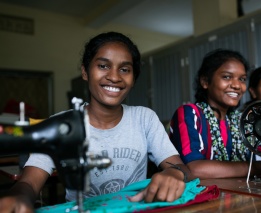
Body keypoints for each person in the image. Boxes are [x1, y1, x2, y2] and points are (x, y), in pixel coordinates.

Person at [0, 32, 192, 212]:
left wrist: (174, 174)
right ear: (85, 72)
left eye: (125, 69)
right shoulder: (62, 125)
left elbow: (182, 168)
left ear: (133, 79)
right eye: (103, 66)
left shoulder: (144, 118)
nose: (114, 77)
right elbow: (30, 182)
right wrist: (19, 195)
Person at [169, 49, 261, 179]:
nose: (236, 85)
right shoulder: (190, 114)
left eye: (242, 79)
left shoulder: (241, 120)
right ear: (205, 81)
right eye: (227, 77)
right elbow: (195, 169)